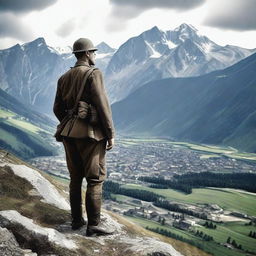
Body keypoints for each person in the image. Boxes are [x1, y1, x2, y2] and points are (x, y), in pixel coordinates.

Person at [53, 38, 115, 236]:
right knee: (95, 179)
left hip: (69, 134)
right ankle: (94, 225)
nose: (95, 55)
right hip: (91, 136)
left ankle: (77, 221)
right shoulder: (93, 73)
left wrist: (71, 122)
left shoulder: (63, 77)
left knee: (75, 179)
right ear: (87, 54)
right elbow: (103, 105)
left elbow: (56, 108)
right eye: (93, 52)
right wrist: (110, 134)